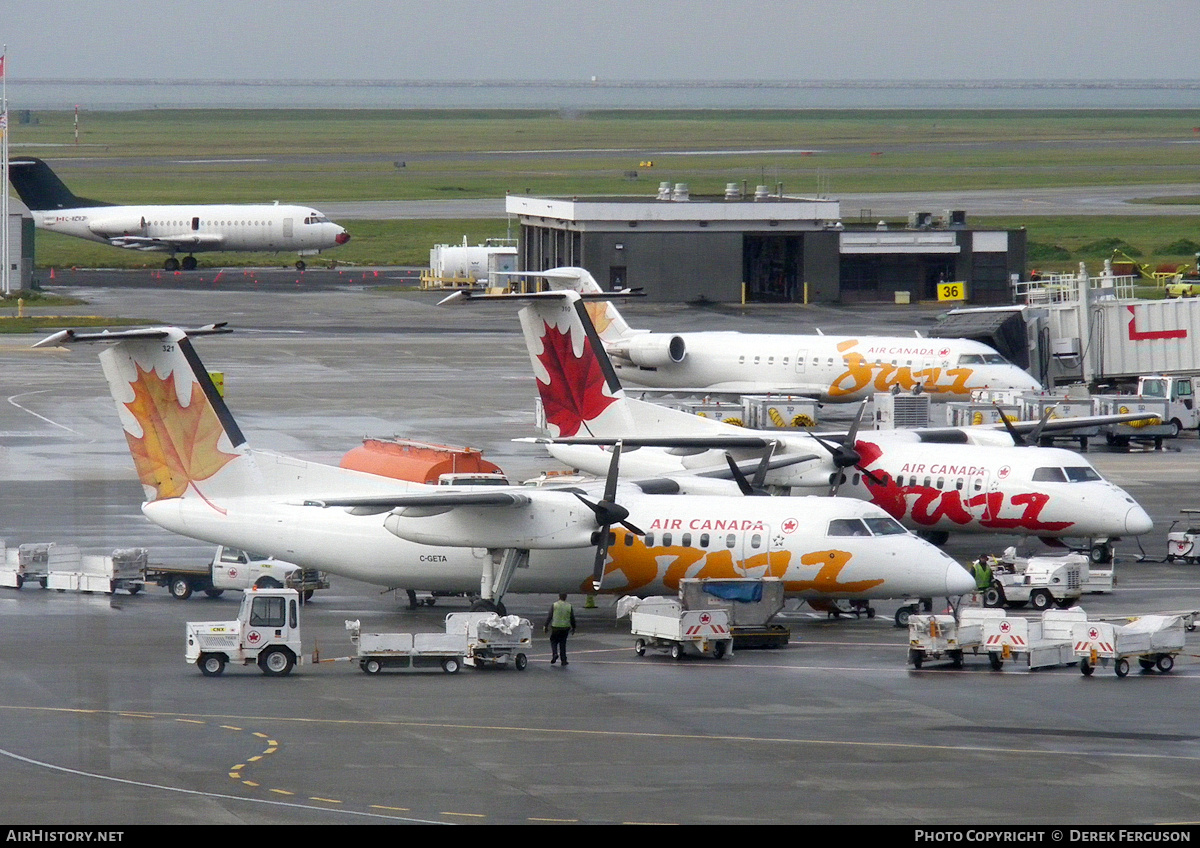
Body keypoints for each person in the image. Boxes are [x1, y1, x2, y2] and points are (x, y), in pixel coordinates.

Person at [544, 593, 576, 666]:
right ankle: (564, 660)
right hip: (565, 627)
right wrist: (573, 627)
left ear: (559, 597)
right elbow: (572, 618)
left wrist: (546, 626)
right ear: (566, 597)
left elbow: (550, 616)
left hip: (555, 627)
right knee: (563, 644)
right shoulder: (569, 606)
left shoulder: (554, 605)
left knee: (553, 641)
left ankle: (555, 654)